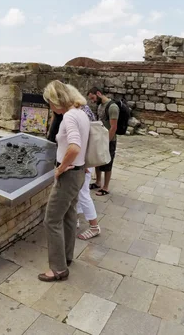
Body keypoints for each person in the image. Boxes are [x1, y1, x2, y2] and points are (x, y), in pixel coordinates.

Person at [39, 81, 89, 282]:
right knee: (69, 215)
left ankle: (58, 269)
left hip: (68, 175)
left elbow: (75, 147)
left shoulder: (68, 116)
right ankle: (67, 257)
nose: (50, 107)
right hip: (79, 173)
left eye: (50, 103)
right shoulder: (81, 113)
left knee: (51, 220)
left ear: (56, 100)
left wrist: (60, 168)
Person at [76, 103, 101, 240]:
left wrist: (84, 163)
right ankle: (76, 218)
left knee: (83, 192)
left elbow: (84, 140)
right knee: (79, 192)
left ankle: (94, 226)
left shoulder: (80, 114)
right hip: (84, 160)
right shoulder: (83, 110)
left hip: (84, 160)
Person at [87, 87, 118, 196]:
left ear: (99, 93)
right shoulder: (100, 106)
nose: (93, 101)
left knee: (108, 162)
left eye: (93, 98)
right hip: (99, 138)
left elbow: (113, 127)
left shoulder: (112, 107)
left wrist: (106, 141)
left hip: (109, 140)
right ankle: (98, 182)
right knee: (97, 160)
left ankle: (106, 187)